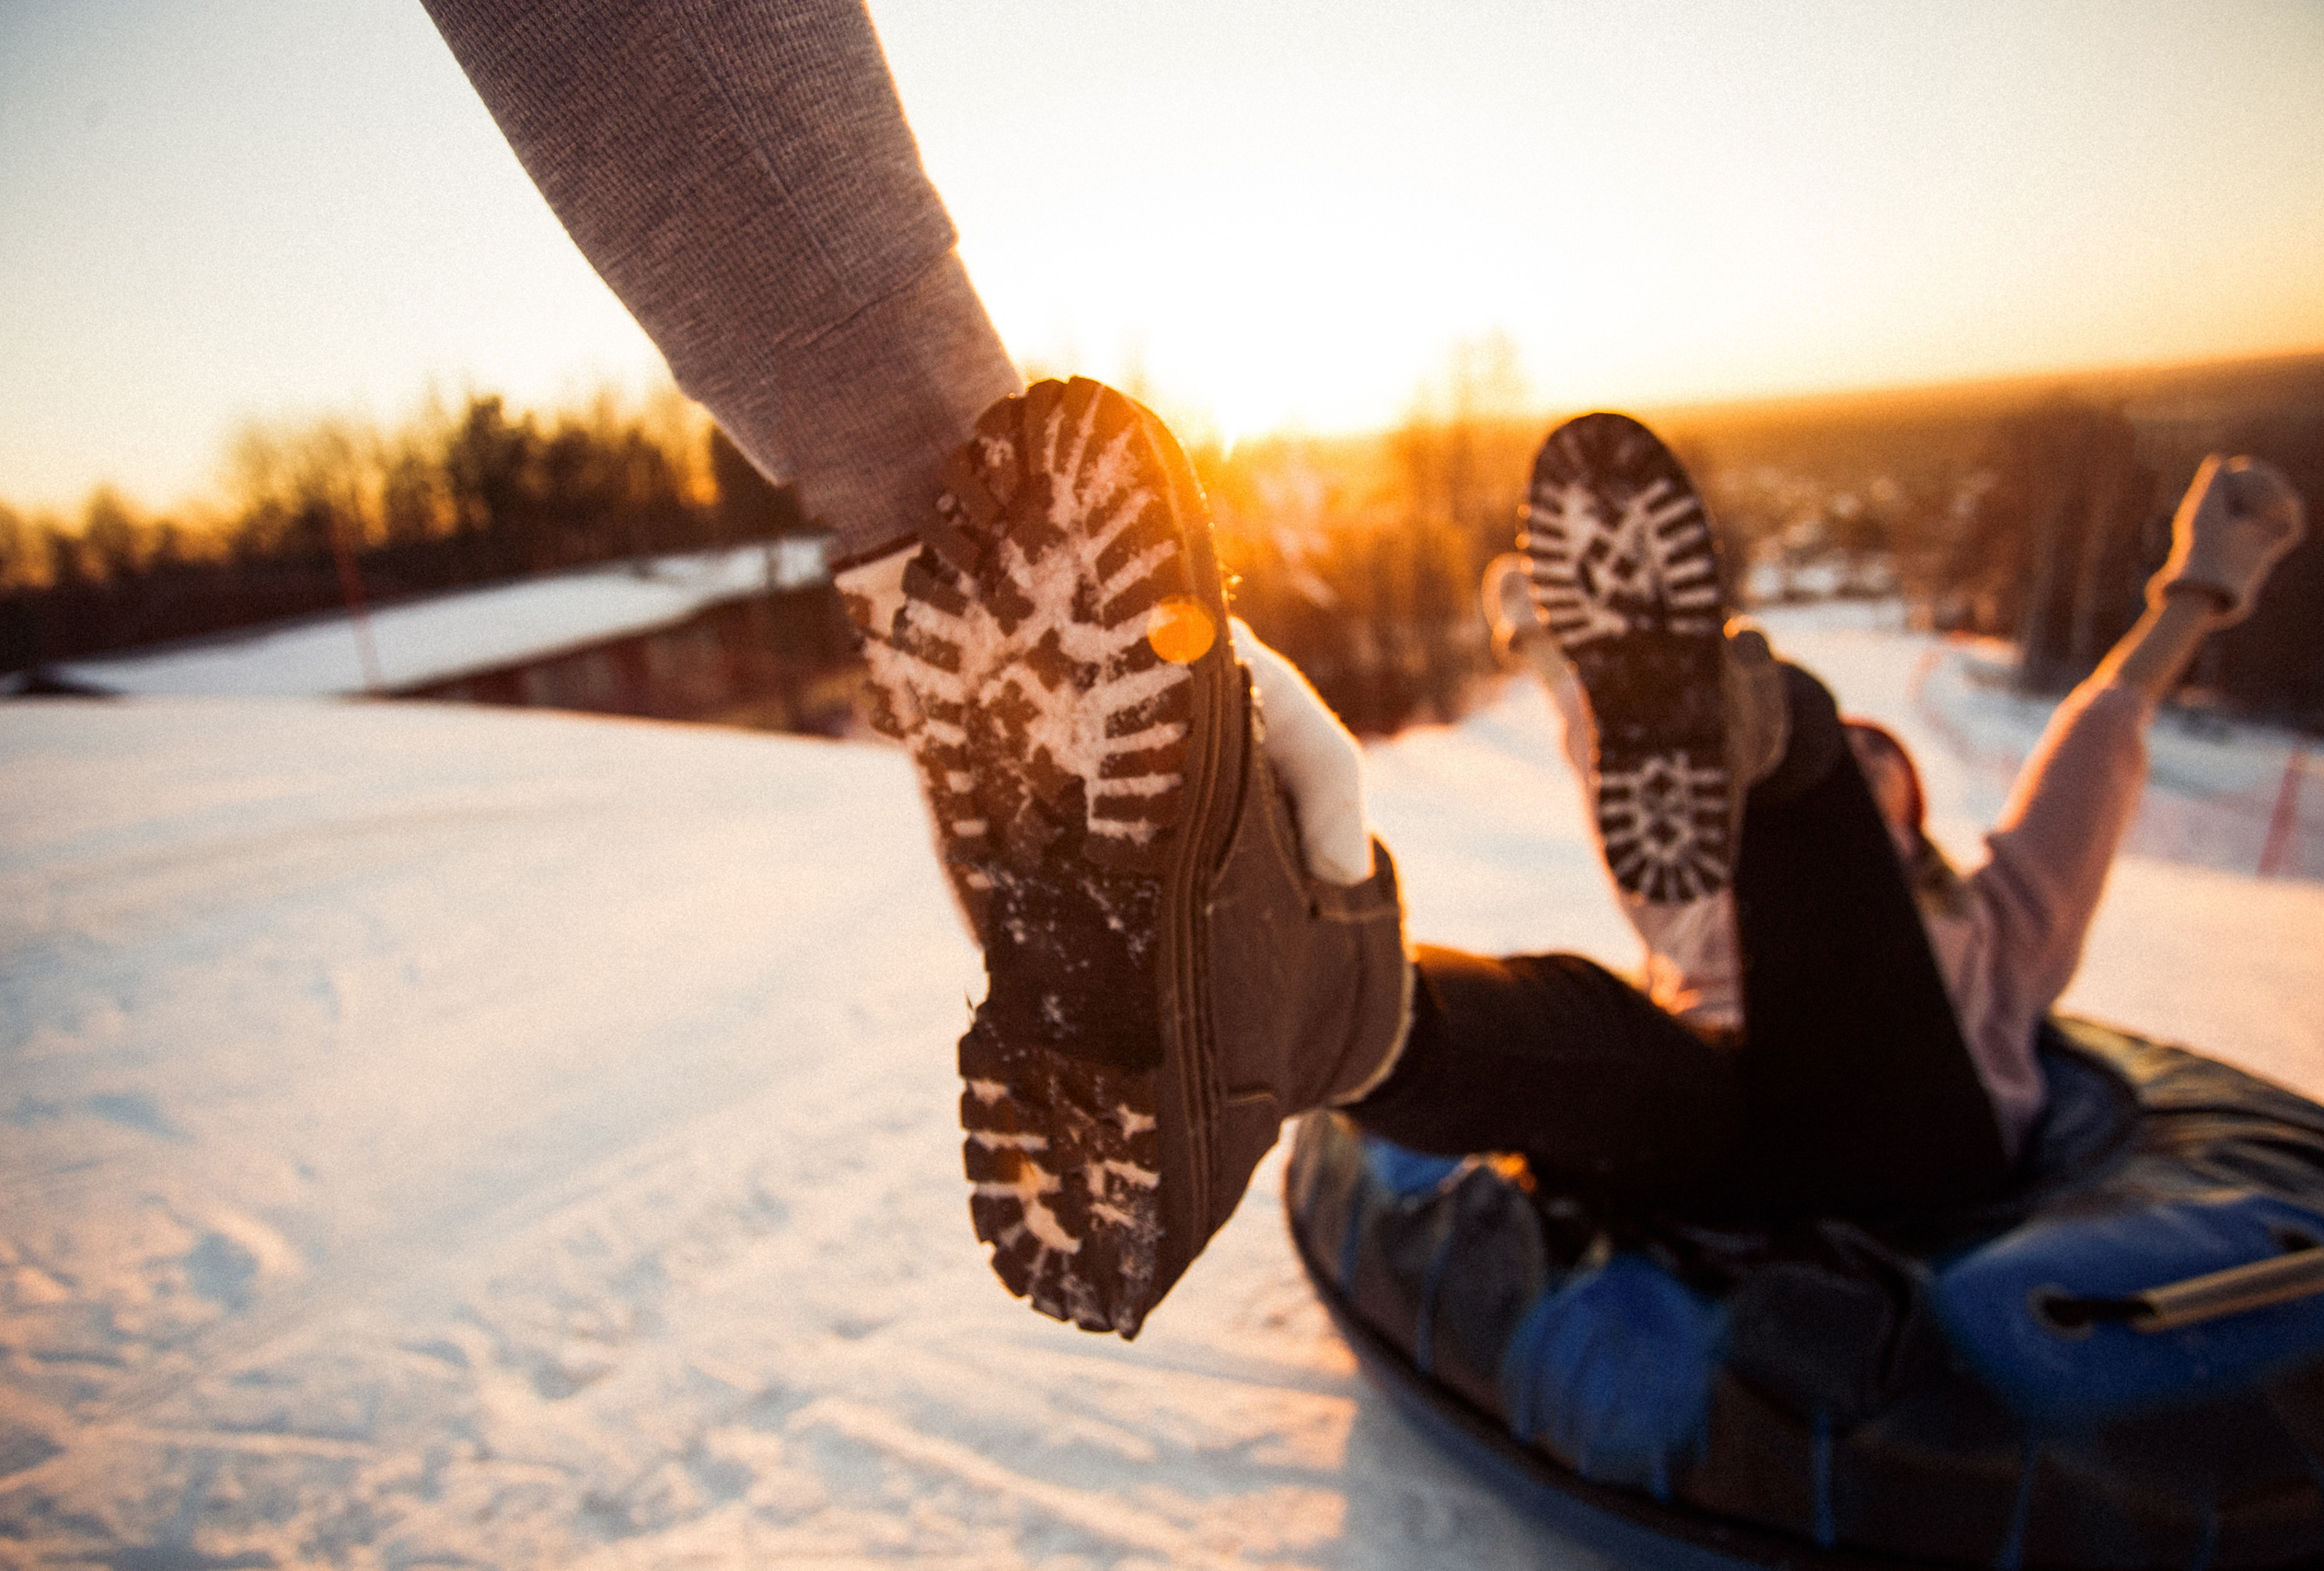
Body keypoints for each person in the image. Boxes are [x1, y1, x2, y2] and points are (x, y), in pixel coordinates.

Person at [417, 0, 2307, 1338]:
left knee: (1783, 881)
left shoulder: (1999, 927)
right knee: (1591, 1030)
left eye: (1903, 770)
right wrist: (1554, 655)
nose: (1924, 776)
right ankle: (1304, 1005)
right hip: (1717, 1123)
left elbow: (2094, 736)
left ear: (1928, 817)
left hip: (1915, 1146)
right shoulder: (1687, 886)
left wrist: (2187, 595)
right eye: (1882, 764)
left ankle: (1761, 724)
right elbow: (1626, 817)